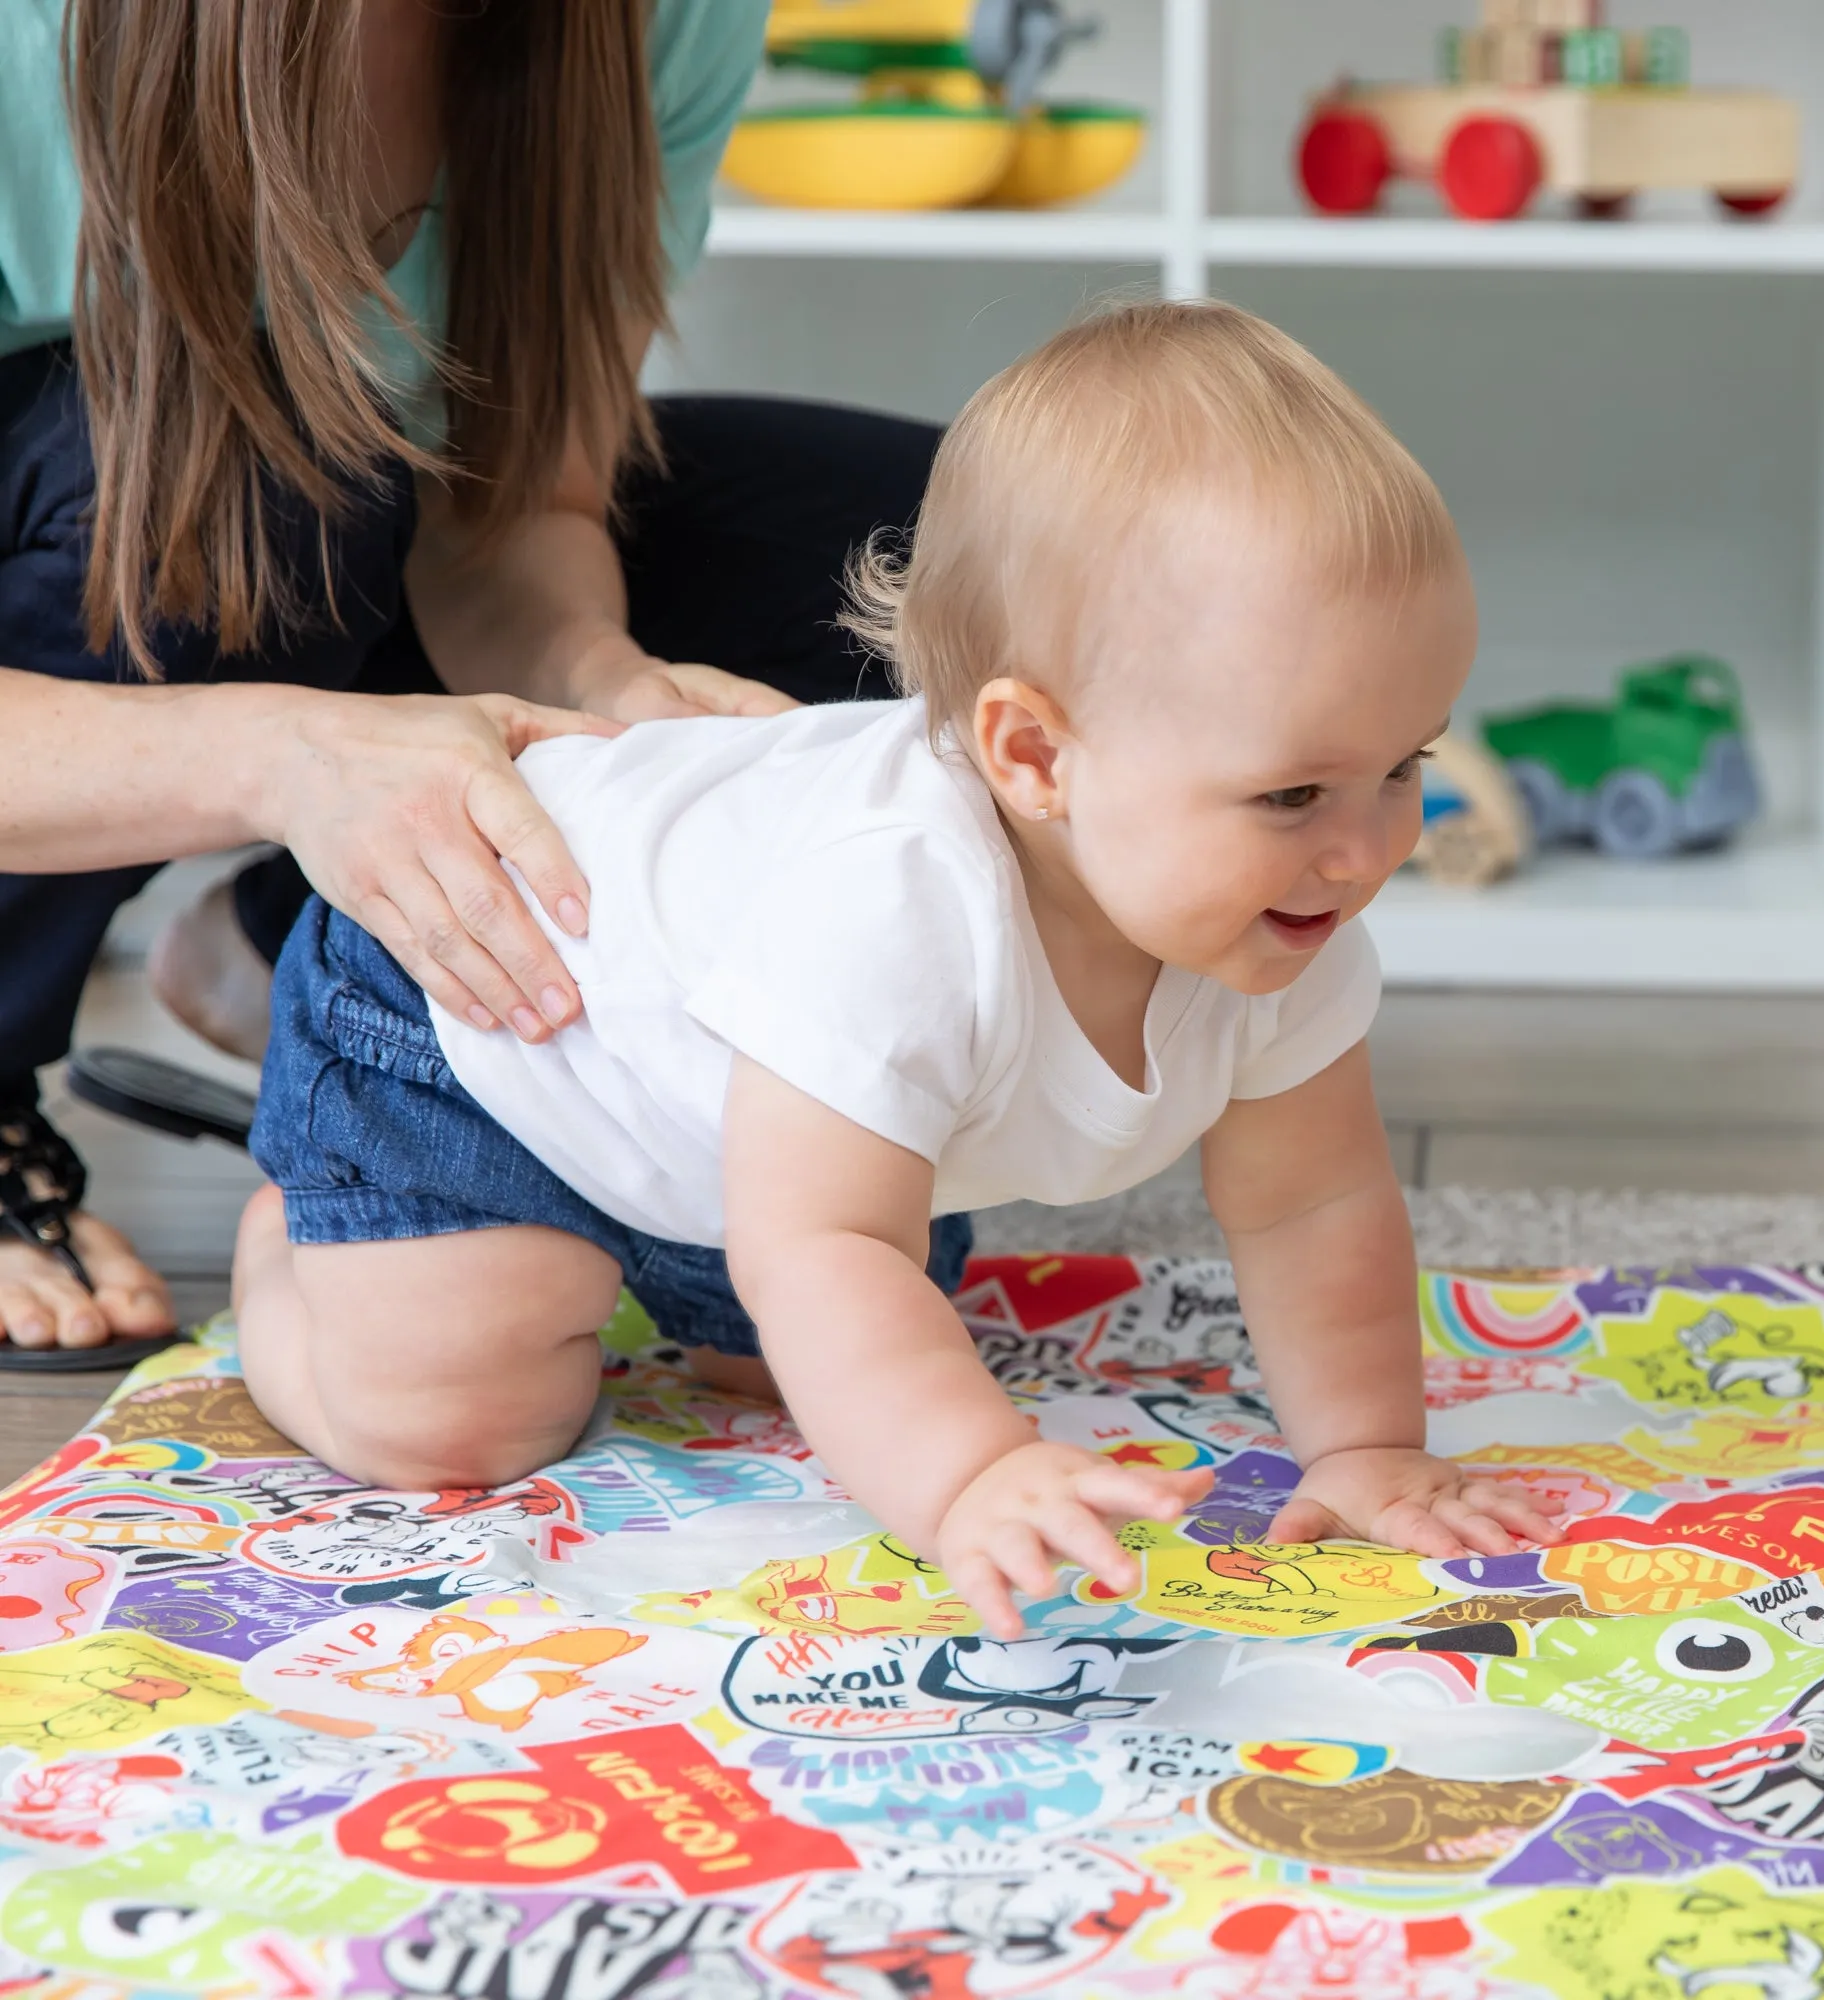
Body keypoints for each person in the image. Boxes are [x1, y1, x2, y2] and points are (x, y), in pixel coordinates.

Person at [237, 302, 1561, 1632]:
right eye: (1292, 794)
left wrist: (1367, 1446)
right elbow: (824, 1244)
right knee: (461, 1421)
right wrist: (973, 1476)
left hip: (734, 1117)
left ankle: (652, 1261)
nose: (1364, 850)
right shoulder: (897, 915)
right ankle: (290, 1252)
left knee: (798, 1363)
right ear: (1037, 758)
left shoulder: (1278, 912)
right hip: (489, 1013)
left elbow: (1311, 1205)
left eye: (1405, 767)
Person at [0, 0, 945, 1361]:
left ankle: (318, 958)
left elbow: (516, 504)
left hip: (338, 537)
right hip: (183, 525)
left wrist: (611, 696)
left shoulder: (667, 18)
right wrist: (285, 759)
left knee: (968, 554)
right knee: (264, 494)